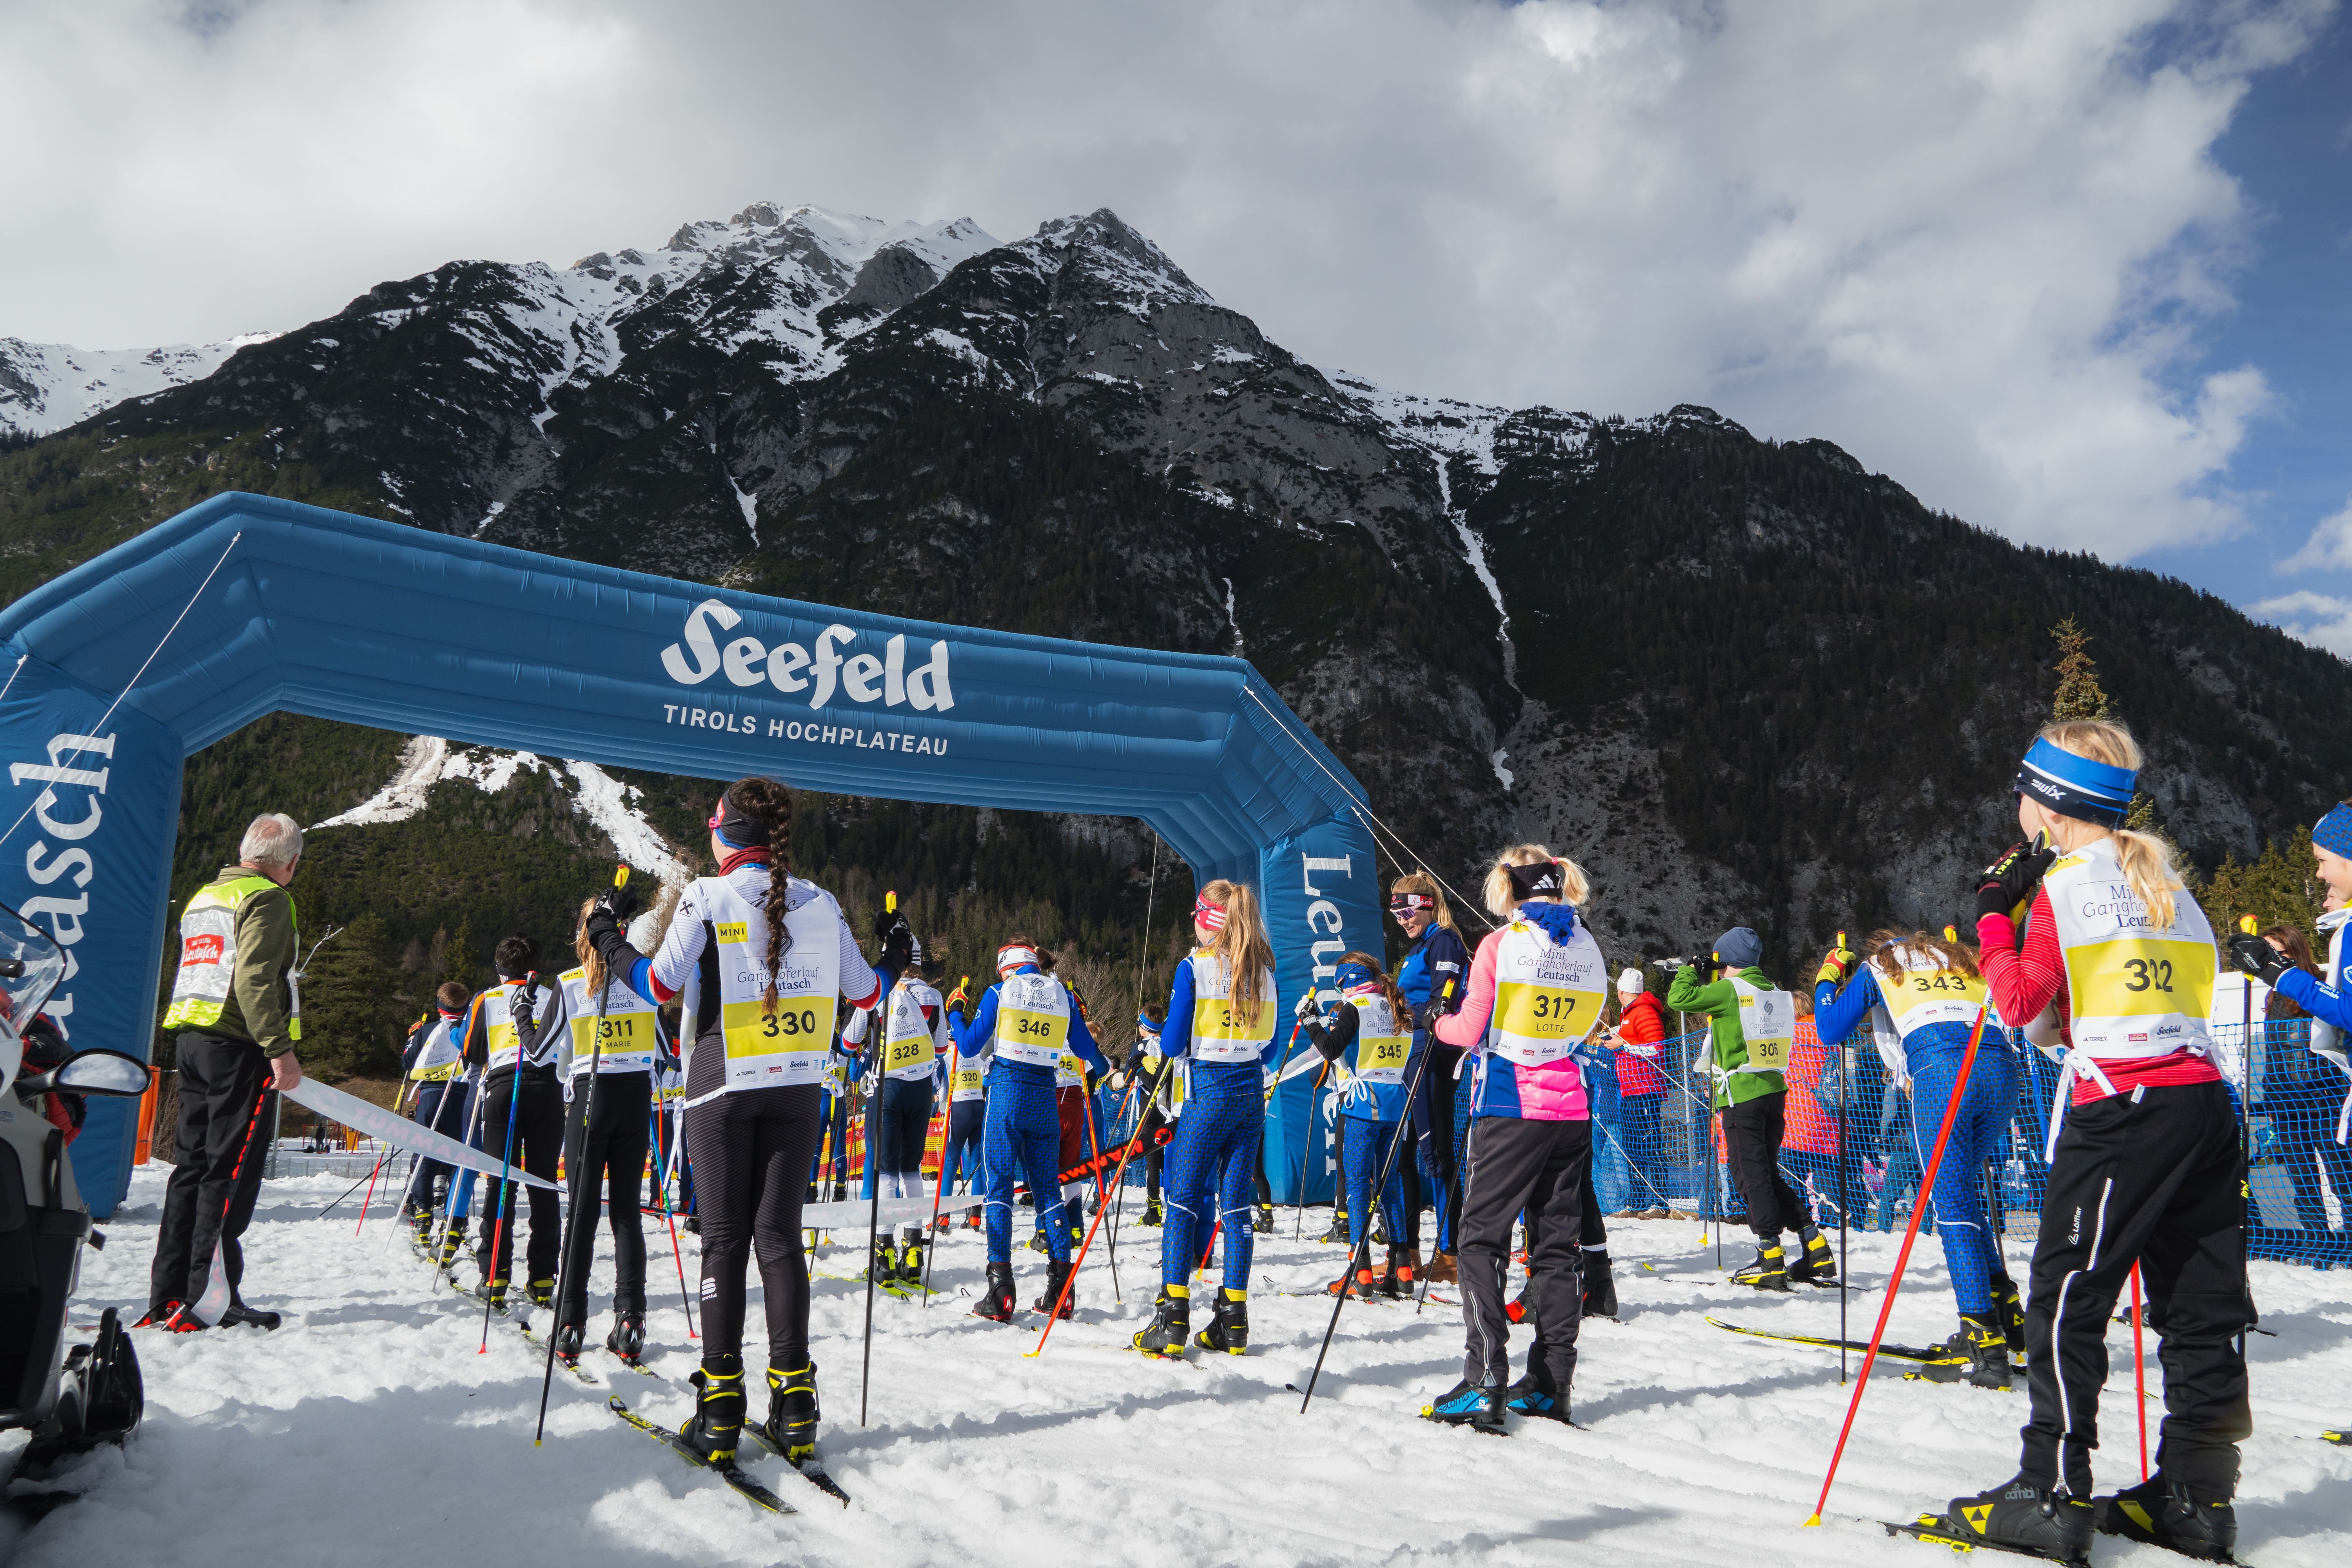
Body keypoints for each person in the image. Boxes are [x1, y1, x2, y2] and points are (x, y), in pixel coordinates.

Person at [1936, 720, 2246, 1563]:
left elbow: (2019, 1004)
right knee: (2202, 1305)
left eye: (2022, 791)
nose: (2017, 804)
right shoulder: (2165, 880)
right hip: (2202, 1099)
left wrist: (1990, 913)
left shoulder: (2065, 887)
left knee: (2067, 1297)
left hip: (2123, 1109)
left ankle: (2050, 1491)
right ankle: (2198, 1496)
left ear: (2049, 806)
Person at [585, 775, 895, 1470]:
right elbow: (868, 992)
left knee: (724, 1242)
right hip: (798, 1087)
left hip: (722, 1083)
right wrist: (898, 950)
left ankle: (721, 1407)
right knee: (780, 1241)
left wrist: (605, 934)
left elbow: (658, 985)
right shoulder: (821, 900)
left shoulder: (707, 894)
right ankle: (795, 1403)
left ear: (725, 835)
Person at [1417, 847, 1604, 1432]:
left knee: (1480, 1241)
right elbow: (1590, 1022)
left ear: (1510, 888)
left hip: (1510, 1104)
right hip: (1571, 1107)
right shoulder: (1586, 943)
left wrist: (1435, 1020)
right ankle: (1551, 1383)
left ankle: (1484, 1380)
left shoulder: (1501, 944)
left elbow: (1468, 1028)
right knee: (1556, 1248)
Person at [1813, 928, 2022, 1387]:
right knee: (1961, 1192)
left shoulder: (1882, 965)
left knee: (1951, 1203)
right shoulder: (1960, 959)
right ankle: (2006, 1309)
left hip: (1942, 1071)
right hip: (2002, 1071)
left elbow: (1829, 1030)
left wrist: (1828, 977)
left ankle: (1983, 1339)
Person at [146, 812, 308, 1332]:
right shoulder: (267, 898)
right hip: (238, 1046)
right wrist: (279, 1048)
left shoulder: (207, 895)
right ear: (290, 862)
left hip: (191, 1037)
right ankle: (211, 1299)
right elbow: (254, 978)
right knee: (229, 1171)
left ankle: (170, 1293)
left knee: (190, 1169)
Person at [1132, 881, 1278, 1359]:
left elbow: (1173, 1043)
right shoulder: (1264, 968)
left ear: (1206, 919)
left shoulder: (1194, 965)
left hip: (1208, 1091)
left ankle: (1172, 1317)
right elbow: (1271, 1048)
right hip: (1250, 1093)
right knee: (1235, 1206)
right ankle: (1233, 1319)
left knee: (1182, 1200)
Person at [949, 936, 1109, 1322]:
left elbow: (968, 1046)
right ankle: (1061, 1290)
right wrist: (1101, 1069)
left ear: (1007, 967)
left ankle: (1001, 1289)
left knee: (999, 1189)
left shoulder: (1000, 991)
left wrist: (955, 1012)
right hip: (1044, 1098)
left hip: (1007, 1092)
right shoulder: (1062, 994)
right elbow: (1086, 1051)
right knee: (1049, 1191)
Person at [1668, 927, 1825, 1291]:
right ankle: (1814, 1244)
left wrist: (1692, 969)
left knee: (1748, 1177)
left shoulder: (1730, 990)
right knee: (1766, 1173)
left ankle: (1770, 1254)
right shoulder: (1776, 992)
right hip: (1773, 1089)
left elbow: (1679, 998)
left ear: (1725, 959)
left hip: (1741, 1094)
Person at [552, 895, 665, 1367]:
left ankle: (570, 1321)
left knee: (582, 1214)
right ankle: (631, 1318)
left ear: (584, 933)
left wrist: (520, 1017)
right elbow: (666, 1049)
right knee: (626, 1214)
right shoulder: (640, 980)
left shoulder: (569, 982)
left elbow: (540, 1050)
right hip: (634, 1097)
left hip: (590, 1096)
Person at [1299, 952, 1420, 1299]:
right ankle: (1401, 1268)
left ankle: (1361, 1271)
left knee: (1357, 1185)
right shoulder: (1397, 1005)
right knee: (1390, 1184)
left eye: (1340, 986)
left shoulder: (1357, 1006)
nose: (1340, 993)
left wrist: (1311, 1022)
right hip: (1396, 1106)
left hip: (1363, 1106)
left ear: (1347, 981)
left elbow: (1331, 1049)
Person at [463, 935, 566, 1312]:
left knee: (500, 1181)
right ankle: (543, 1276)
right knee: (543, 1182)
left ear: (499, 968)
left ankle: (495, 1274)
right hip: (547, 1089)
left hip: (505, 1088)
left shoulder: (487, 999)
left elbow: (473, 1052)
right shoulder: (555, 994)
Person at [2245, 924, 2352, 1252]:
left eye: (2276, 953)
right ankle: (2318, 1244)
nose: (2269, 960)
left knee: (2342, 1175)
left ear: (2294, 952)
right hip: (2285, 1102)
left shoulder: (2318, 984)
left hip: (2324, 1097)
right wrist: (2270, 1095)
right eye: (2264, 953)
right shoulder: (2273, 995)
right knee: (2302, 1178)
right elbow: (2276, 1052)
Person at [846, 945, 947, 1286]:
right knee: (912, 1169)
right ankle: (914, 1250)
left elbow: (849, 1042)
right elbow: (942, 1048)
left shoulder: (879, 992)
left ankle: (885, 1254)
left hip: (887, 1087)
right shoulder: (933, 995)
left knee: (887, 1172)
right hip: (921, 1089)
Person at [1391, 873, 1472, 1283]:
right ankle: (1407, 1253)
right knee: (1407, 1157)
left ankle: (1450, 1253)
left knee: (1435, 1152)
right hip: (1413, 1054)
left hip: (1434, 1053)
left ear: (1426, 905)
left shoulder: (1444, 940)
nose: (1402, 920)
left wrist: (1416, 1012)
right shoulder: (1419, 947)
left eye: (1407, 911)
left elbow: (1446, 1000)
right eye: (1395, 914)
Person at [399, 982, 475, 1244]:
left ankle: (423, 1212)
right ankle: (455, 1216)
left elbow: (407, 1063)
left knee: (425, 1155)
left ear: (438, 1006)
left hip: (431, 1096)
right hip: (461, 1097)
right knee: (458, 1158)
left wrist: (411, 1040)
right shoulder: (471, 1028)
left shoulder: (426, 1030)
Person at [1605, 969, 1671, 1215]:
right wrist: (1618, 1041)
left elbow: (1656, 1049)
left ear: (1621, 992)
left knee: (1649, 1144)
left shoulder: (1644, 1011)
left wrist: (1623, 1044)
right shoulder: (1629, 1013)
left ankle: (1659, 1202)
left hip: (1645, 1090)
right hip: (1631, 1089)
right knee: (1633, 1146)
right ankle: (1638, 1201)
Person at [935, 975, 993, 1233]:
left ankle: (942, 1217)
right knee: (977, 1163)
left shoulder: (946, 1053)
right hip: (979, 1106)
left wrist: (940, 1106)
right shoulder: (977, 1049)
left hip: (957, 1109)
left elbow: (938, 1084)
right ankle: (976, 1216)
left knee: (950, 1162)